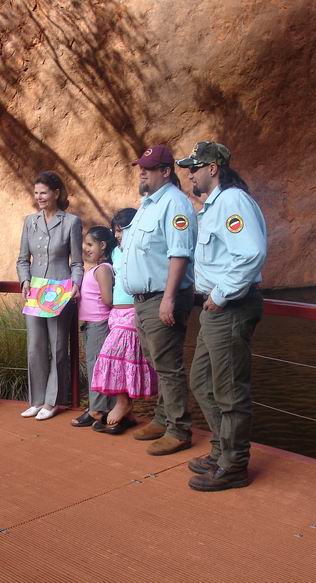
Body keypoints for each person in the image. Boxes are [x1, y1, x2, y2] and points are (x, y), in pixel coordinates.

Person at [176, 141, 267, 491]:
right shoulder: (214, 206)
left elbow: (251, 253)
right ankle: (221, 449)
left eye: (195, 168)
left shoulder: (231, 201)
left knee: (229, 390)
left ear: (213, 168)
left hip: (230, 307)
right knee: (201, 381)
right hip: (218, 310)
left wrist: (220, 293)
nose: (190, 174)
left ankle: (234, 464)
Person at [121, 144, 198, 455]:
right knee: (158, 362)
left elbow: (179, 254)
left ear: (166, 172)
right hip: (145, 298)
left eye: (149, 168)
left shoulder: (176, 205)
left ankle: (179, 429)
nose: (142, 171)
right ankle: (164, 418)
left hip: (162, 297)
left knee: (168, 365)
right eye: (141, 166)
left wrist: (168, 299)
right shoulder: (149, 203)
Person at [17, 171, 84, 420]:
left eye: (43, 192)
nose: (39, 197)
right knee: (35, 347)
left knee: (58, 348)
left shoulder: (71, 222)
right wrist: (24, 280)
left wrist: (76, 284)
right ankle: (36, 400)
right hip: (35, 292)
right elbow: (23, 259)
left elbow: (77, 262)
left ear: (56, 193)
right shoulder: (29, 221)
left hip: (59, 292)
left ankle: (52, 401)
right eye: (36, 193)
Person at [91, 208, 158, 435]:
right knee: (121, 359)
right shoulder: (116, 253)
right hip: (115, 313)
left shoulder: (142, 250)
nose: (117, 235)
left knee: (114, 353)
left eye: (122, 230)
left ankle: (123, 402)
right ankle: (128, 412)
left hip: (132, 310)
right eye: (115, 230)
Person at [71, 226, 117, 428]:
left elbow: (108, 299)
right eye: (85, 244)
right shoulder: (95, 269)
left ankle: (97, 409)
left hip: (99, 324)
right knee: (95, 366)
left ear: (103, 245)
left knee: (97, 367)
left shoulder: (104, 270)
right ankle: (99, 407)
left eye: (90, 244)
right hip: (91, 325)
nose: (86, 248)